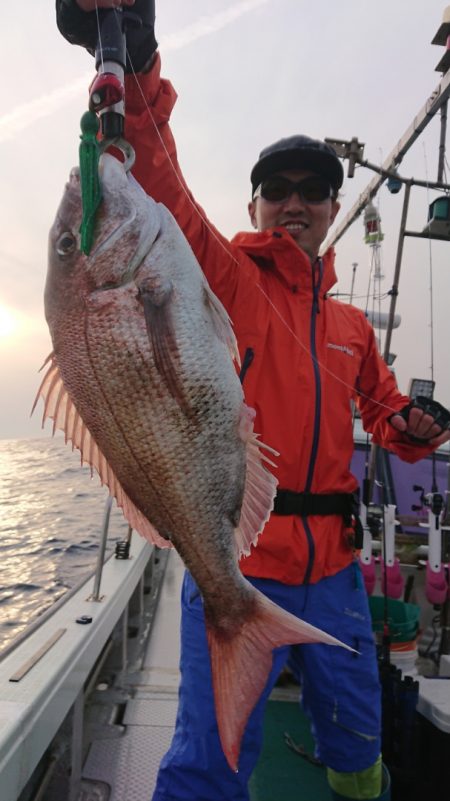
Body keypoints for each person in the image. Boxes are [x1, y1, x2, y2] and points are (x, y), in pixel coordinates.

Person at [56, 4, 450, 800]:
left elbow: (380, 415)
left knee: (357, 739)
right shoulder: (226, 277)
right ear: (254, 209)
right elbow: (157, 173)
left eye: (313, 190)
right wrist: (137, 63)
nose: (294, 201)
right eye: (277, 189)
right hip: (239, 562)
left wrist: (412, 430)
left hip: (336, 569)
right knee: (210, 759)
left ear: (334, 210)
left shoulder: (348, 326)